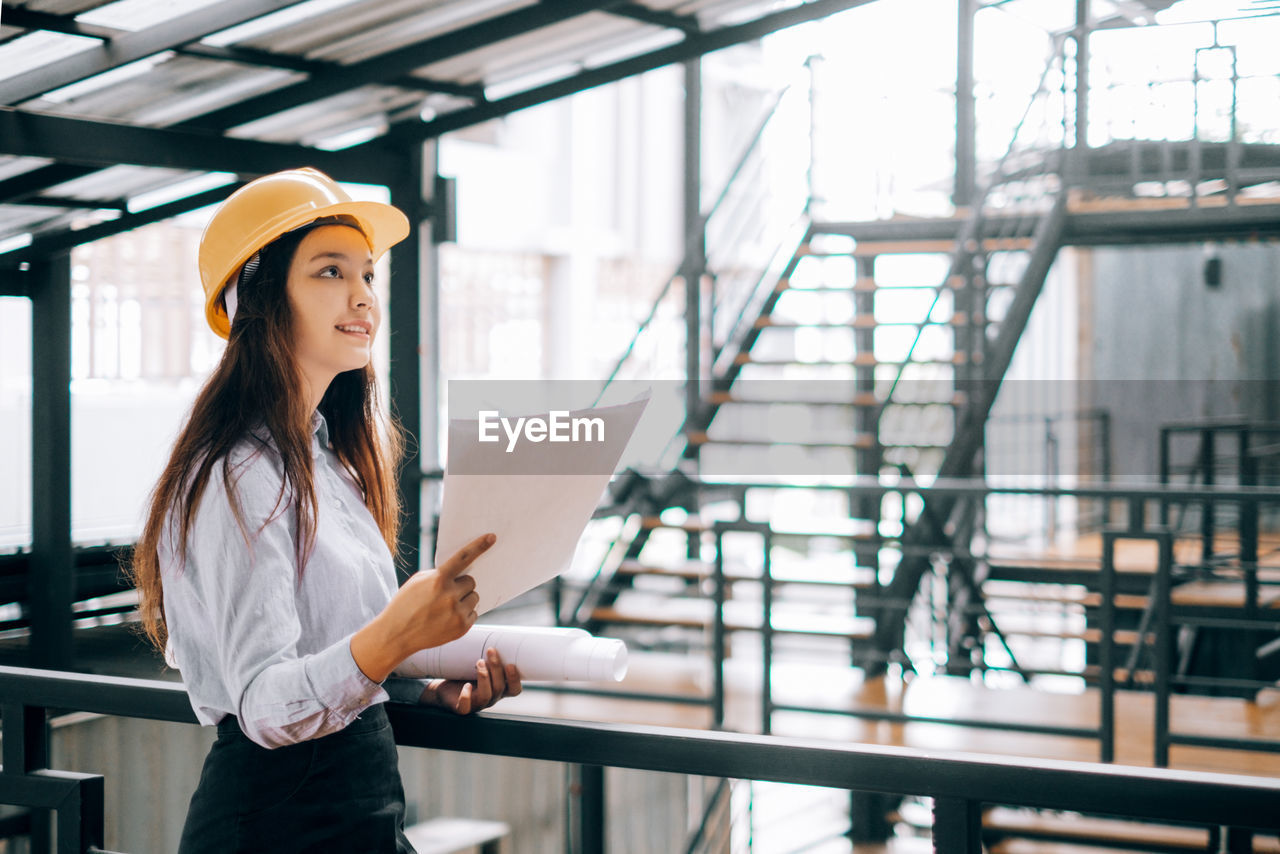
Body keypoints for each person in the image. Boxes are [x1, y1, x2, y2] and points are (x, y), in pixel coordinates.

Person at [127, 167, 521, 853]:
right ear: (260, 297)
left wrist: (418, 690)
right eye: (329, 272)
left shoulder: (327, 461)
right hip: (275, 827)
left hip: (361, 813)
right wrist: (395, 637)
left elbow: (339, 662)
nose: (363, 296)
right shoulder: (236, 473)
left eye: (368, 274)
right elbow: (265, 705)